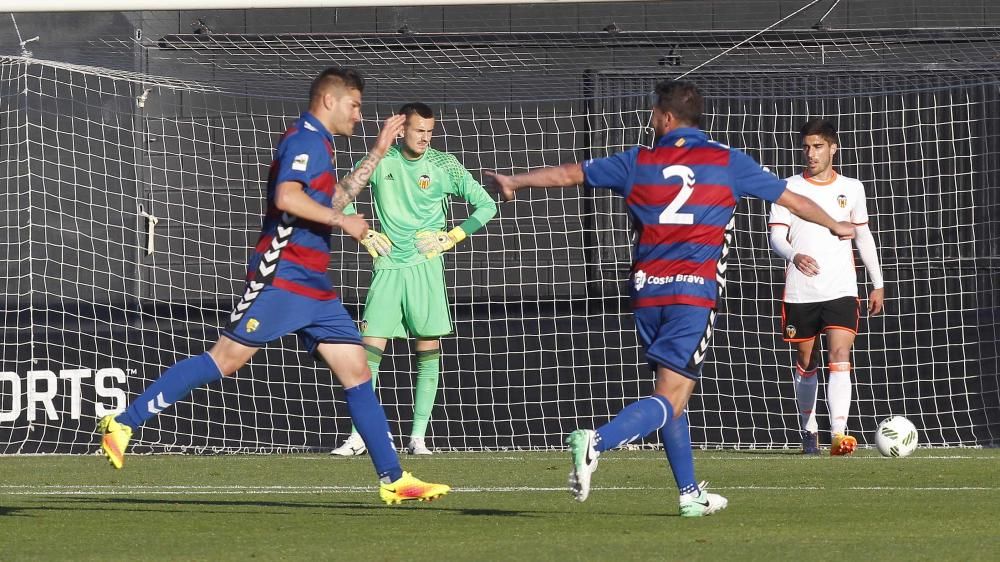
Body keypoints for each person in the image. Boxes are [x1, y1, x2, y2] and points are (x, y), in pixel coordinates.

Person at [485, 80, 856, 517]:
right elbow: (791, 199)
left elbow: (571, 173)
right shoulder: (727, 161)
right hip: (692, 296)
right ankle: (596, 441)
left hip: (645, 294)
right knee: (673, 397)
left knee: (669, 397)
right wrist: (836, 225)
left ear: (664, 118)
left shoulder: (638, 161)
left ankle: (689, 494)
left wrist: (515, 181)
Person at [97, 67, 449, 505]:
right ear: (329, 101)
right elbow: (287, 197)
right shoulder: (304, 140)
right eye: (354, 105)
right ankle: (124, 422)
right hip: (281, 278)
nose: (360, 115)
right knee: (225, 361)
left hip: (314, 285)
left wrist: (377, 151)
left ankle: (394, 479)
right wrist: (345, 223)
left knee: (357, 371)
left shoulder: (320, 143)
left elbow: (333, 200)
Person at [331, 102, 497, 456]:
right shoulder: (381, 161)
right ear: (402, 130)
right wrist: (361, 234)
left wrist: (451, 236)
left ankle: (418, 438)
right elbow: (339, 197)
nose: (424, 137)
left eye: (429, 131)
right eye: (418, 130)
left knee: (428, 350)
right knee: (367, 353)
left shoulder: (444, 164)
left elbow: (487, 206)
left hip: (426, 268)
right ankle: (359, 435)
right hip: (389, 268)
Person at [768, 118, 884, 456]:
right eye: (806, 147)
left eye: (817, 146)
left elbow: (863, 236)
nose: (810, 153)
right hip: (801, 291)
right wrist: (793, 254)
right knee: (806, 361)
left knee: (840, 355)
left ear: (833, 148)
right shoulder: (786, 187)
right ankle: (809, 430)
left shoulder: (853, 187)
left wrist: (877, 283)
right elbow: (776, 235)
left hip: (842, 288)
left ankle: (838, 435)